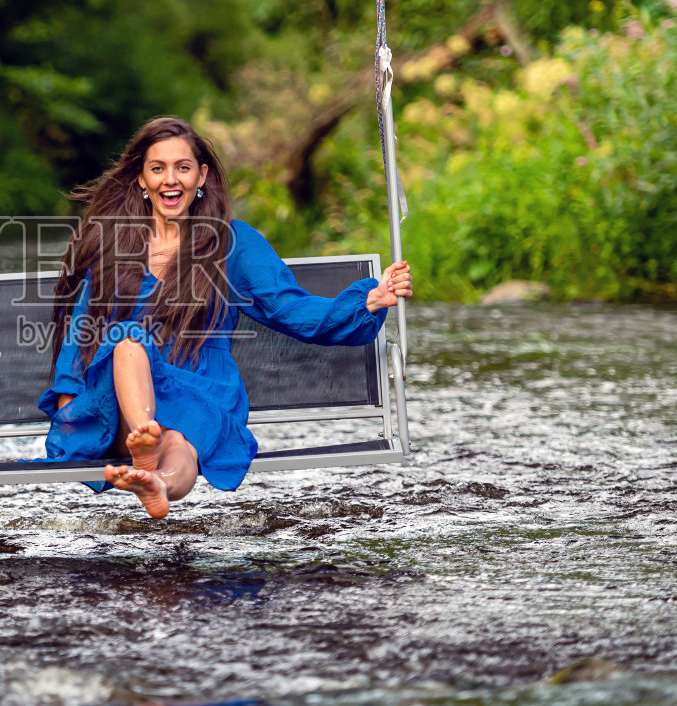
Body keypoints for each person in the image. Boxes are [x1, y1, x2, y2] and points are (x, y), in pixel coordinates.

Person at [38, 116, 413, 519]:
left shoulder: (231, 244)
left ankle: (157, 482)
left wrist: (369, 300)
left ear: (201, 177)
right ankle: (144, 439)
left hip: (201, 389)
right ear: (140, 180)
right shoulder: (116, 246)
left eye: (183, 167)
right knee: (129, 341)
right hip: (120, 401)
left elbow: (291, 309)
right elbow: (83, 333)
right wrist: (71, 407)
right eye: (157, 168)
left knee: (180, 443)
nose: (171, 179)